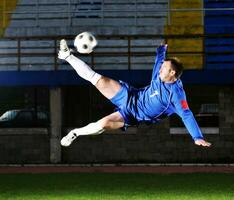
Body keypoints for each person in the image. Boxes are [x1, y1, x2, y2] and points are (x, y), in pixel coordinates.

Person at [58, 39, 211, 147]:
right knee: (99, 80)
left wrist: (197, 137)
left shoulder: (176, 94)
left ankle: (76, 133)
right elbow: (159, 58)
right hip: (131, 95)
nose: (159, 69)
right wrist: (162, 49)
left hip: (134, 115)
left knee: (103, 124)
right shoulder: (160, 73)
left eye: (163, 68)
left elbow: (186, 114)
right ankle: (67, 56)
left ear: (172, 72)